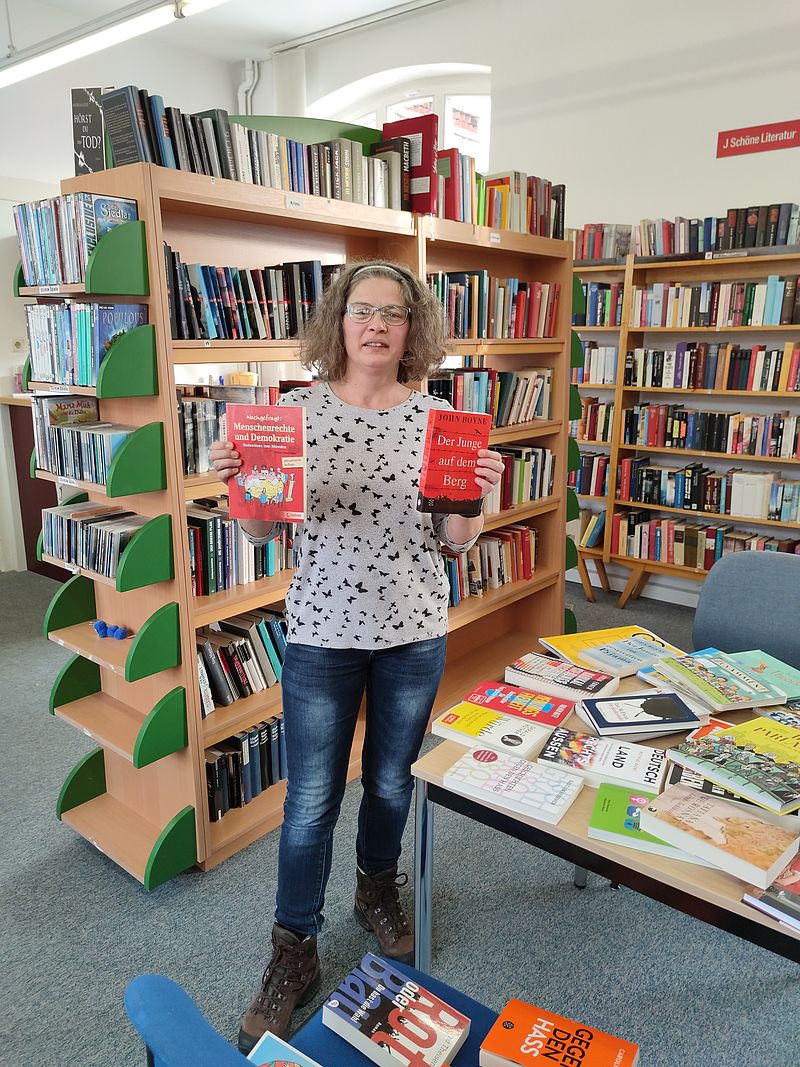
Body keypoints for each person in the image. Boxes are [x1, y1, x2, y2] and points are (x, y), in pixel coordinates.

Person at [209, 259, 504, 1052]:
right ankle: (291, 949)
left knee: (388, 781)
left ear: (413, 329)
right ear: (338, 320)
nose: (378, 325)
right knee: (309, 799)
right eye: (363, 310)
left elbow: (455, 541)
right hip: (320, 633)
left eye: (395, 313)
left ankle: (377, 888)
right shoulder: (290, 414)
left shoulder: (441, 419)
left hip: (413, 628)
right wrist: (239, 488)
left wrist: (478, 496)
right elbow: (264, 535)